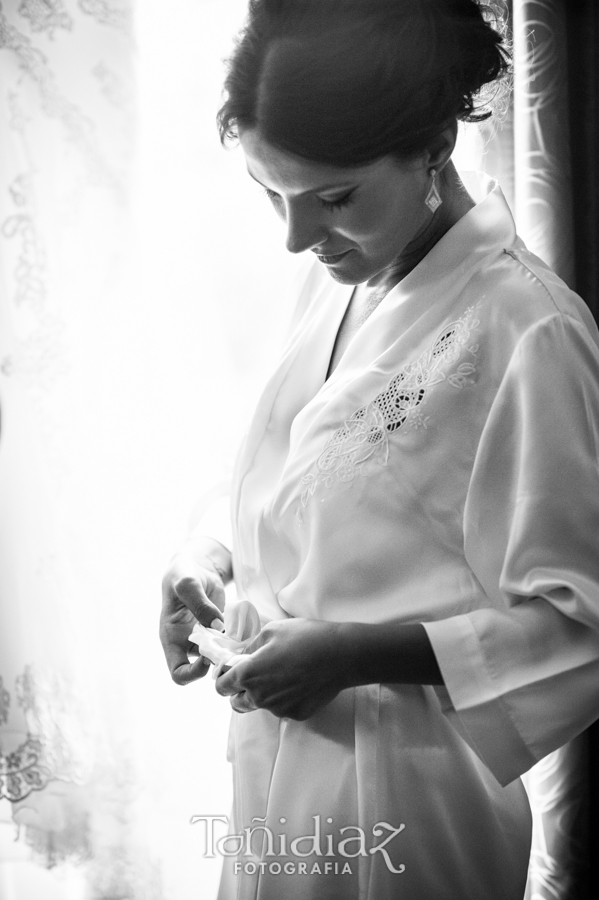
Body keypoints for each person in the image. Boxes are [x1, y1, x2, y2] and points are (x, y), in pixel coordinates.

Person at [160, 1, 599, 897]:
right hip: (281, 769)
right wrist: (211, 555)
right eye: (271, 194)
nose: (295, 237)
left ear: (431, 147)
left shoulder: (528, 331)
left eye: (333, 198)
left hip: (409, 788)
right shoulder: (341, 284)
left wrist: (356, 655)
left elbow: (583, 621)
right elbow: (316, 483)